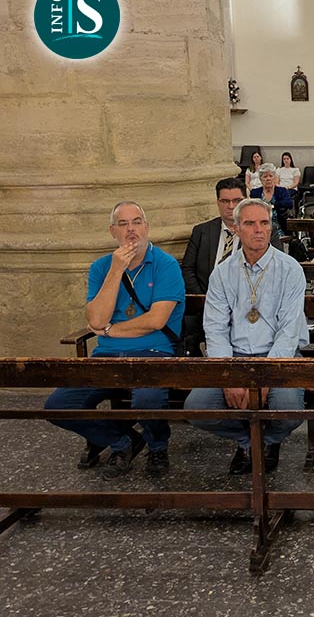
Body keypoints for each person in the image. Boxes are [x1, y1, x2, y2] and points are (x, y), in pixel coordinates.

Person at [45, 202, 186, 479]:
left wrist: (110, 330)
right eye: (123, 224)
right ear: (113, 231)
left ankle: (158, 447)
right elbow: (96, 319)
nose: (131, 230)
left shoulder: (166, 265)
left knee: (147, 396)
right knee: (58, 406)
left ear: (146, 227)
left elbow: (155, 321)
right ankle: (123, 440)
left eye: (136, 222)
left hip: (153, 351)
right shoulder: (101, 268)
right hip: (107, 356)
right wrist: (116, 270)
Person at [185, 199, 307, 475]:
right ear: (237, 229)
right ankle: (250, 442)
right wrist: (229, 376)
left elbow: (288, 332)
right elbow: (215, 329)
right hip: (235, 357)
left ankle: (269, 441)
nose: (258, 229)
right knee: (197, 407)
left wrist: (266, 378)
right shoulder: (222, 273)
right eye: (250, 224)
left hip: (279, 358)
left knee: (288, 409)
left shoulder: (290, 269)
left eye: (264, 223)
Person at [182, 177, 246, 295]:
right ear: (217, 202)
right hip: (207, 298)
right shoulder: (201, 232)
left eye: (237, 200)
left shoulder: (260, 231)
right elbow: (188, 269)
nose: (231, 206)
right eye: (225, 201)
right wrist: (204, 299)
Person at [250, 164, 293, 241]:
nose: (268, 179)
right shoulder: (255, 192)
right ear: (260, 179)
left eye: (270, 176)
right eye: (265, 176)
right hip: (258, 228)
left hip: (278, 228)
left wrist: (273, 206)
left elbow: (289, 203)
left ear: (275, 178)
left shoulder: (282, 191)